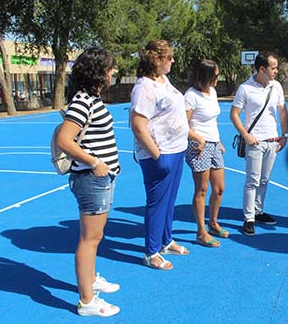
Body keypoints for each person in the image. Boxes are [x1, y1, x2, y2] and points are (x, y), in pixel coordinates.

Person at [56, 47, 121, 317]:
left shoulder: (90, 98)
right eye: (110, 68)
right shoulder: (83, 101)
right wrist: (95, 163)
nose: (113, 72)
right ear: (98, 72)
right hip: (92, 180)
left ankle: (91, 279)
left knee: (95, 236)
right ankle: (86, 300)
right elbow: (64, 139)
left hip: (101, 179)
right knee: (89, 239)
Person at [130, 39, 190, 271]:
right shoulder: (144, 87)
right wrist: (156, 155)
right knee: (157, 203)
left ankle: (166, 240)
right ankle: (151, 252)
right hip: (160, 154)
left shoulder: (163, 80)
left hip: (176, 149)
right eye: (169, 57)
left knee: (170, 200)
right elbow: (137, 125)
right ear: (156, 59)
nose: (173, 60)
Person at [230, 51, 288, 236]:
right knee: (252, 180)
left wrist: (284, 134)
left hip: (272, 141)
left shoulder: (276, 86)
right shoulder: (245, 88)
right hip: (255, 141)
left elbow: (282, 110)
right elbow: (234, 114)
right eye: (273, 68)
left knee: (264, 179)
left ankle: (258, 210)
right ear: (262, 69)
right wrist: (246, 135)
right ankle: (249, 218)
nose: (276, 71)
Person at [184, 59, 227, 247]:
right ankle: (201, 232)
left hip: (213, 144)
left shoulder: (213, 92)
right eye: (216, 75)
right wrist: (199, 139)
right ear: (206, 75)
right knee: (202, 190)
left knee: (219, 188)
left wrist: (218, 141)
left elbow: (213, 120)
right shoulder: (191, 96)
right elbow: (182, 125)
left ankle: (213, 222)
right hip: (198, 147)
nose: (218, 78)